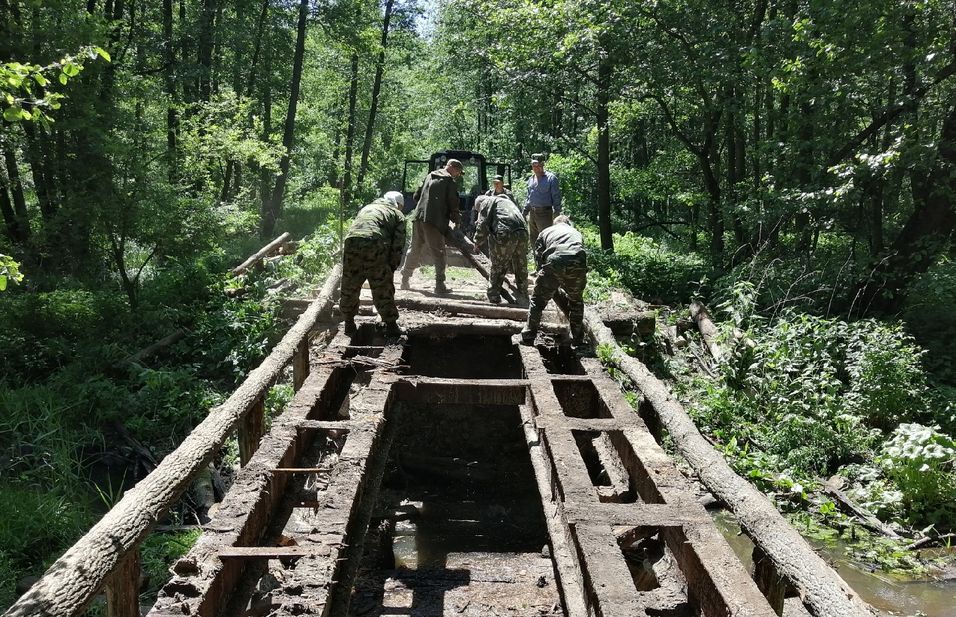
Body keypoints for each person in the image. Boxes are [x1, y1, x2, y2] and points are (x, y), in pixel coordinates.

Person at [340, 191, 407, 337]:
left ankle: (348, 322)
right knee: (382, 285)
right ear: (398, 204)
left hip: (351, 241)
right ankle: (391, 325)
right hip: (374, 243)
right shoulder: (397, 214)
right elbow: (398, 244)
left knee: (350, 283)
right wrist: (391, 267)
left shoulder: (367, 207)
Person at [521, 215, 587, 346]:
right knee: (576, 301)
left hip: (555, 259)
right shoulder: (576, 232)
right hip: (578, 261)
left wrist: (546, 280)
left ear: (555, 223)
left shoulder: (545, 232)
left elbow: (539, 259)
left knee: (537, 300)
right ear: (568, 223)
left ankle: (529, 335)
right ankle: (578, 338)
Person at [401, 158, 463, 294]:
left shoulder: (430, 175)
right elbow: (453, 203)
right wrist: (456, 220)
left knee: (415, 248)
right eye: (458, 172)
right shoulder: (449, 181)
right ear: (452, 167)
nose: (458, 175)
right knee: (439, 252)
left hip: (418, 217)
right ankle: (439, 285)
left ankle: (405, 279)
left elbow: (416, 196)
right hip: (433, 221)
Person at [473, 194, 529, 305]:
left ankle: (494, 295)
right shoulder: (504, 201)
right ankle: (523, 292)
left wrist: (477, 242)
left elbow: (482, 224)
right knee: (520, 264)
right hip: (523, 231)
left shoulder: (485, 203)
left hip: (506, 233)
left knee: (498, 264)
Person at [523, 154, 562, 243]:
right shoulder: (531, 179)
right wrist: (525, 211)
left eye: (537, 165)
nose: (535, 167)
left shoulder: (551, 179)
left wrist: (557, 214)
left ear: (542, 164)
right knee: (533, 239)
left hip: (545, 214)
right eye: (533, 165)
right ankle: (536, 256)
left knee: (545, 239)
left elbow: (556, 197)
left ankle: (546, 256)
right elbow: (529, 198)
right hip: (532, 214)